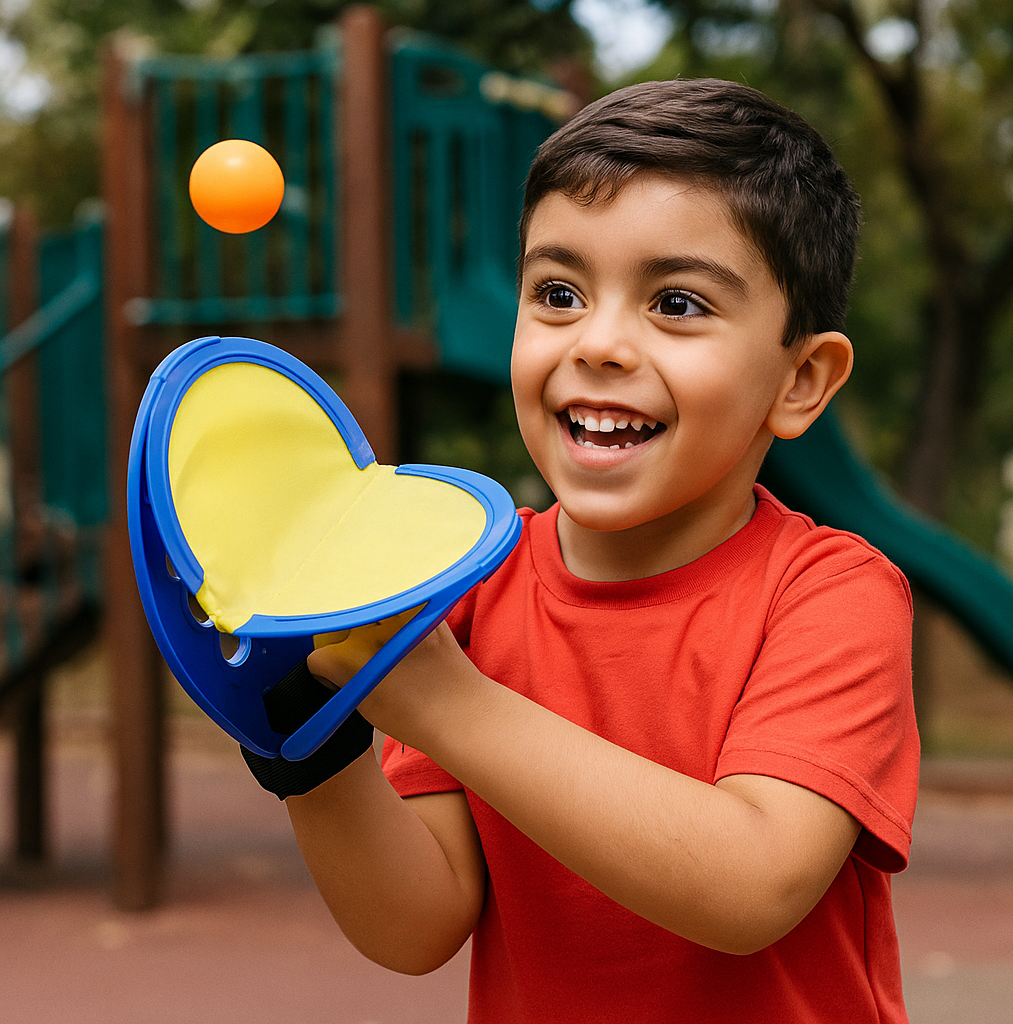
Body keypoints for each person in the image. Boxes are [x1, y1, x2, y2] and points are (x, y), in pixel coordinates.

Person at [244, 78, 920, 1023]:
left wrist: (444, 701)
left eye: (677, 303)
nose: (599, 342)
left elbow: (750, 887)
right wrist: (303, 736)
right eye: (558, 293)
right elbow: (417, 926)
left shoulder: (831, 592)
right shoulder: (470, 584)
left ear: (801, 379)